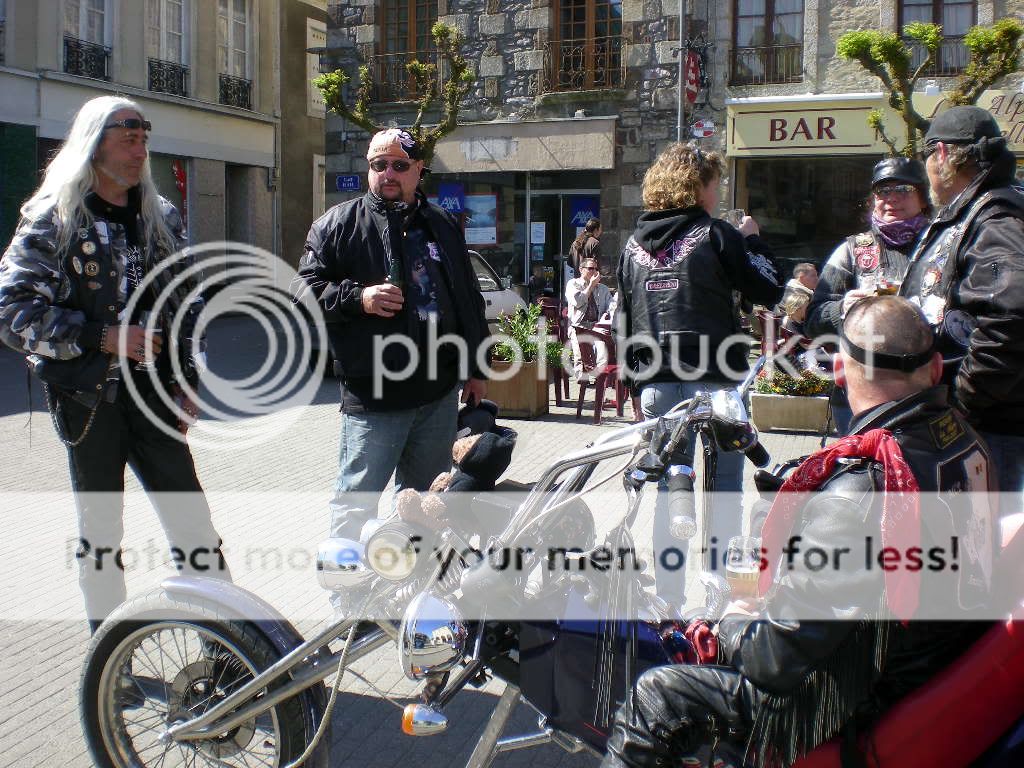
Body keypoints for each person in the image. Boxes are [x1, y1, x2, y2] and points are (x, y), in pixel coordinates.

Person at [602, 296, 997, 768]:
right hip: (929, 664)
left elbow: (775, 660)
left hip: (859, 700)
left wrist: (729, 624)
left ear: (839, 373)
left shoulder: (863, 487)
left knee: (658, 696)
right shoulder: (965, 443)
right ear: (935, 369)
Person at [0, 95, 230, 632]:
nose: (139, 143)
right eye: (127, 132)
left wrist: (190, 379)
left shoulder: (160, 216)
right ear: (93, 139)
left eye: (144, 133)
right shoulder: (54, 217)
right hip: (89, 401)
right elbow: (12, 312)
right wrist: (103, 336)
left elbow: (188, 301)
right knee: (101, 535)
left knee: (195, 528)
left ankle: (230, 651)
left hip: (155, 399)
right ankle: (110, 656)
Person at [295, 128, 489, 550]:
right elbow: (302, 292)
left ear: (420, 170)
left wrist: (475, 369)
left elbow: (468, 300)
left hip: (437, 395)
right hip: (374, 396)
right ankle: (348, 605)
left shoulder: (442, 225)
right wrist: (357, 298)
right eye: (378, 164)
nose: (387, 173)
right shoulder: (336, 225)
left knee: (428, 505)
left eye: (399, 165)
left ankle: (415, 597)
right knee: (355, 504)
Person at [615, 142, 783, 607]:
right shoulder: (716, 235)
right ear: (698, 187)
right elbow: (767, 286)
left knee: (674, 487)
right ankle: (717, 598)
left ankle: (668, 602)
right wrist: (751, 239)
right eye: (714, 184)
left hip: (656, 383)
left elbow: (624, 318)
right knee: (722, 490)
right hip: (714, 378)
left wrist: (635, 383)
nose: (717, 192)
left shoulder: (631, 245)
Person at [901, 105, 1024, 496]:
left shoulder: (996, 217)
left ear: (940, 154)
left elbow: (1012, 315)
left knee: (979, 552)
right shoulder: (979, 209)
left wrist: (962, 403)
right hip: (983, 428)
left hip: (991, 433)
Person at [806, 156, 930, 433]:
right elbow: (813, 319)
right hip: (862, 394)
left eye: (904, 190)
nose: (892, 198)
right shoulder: (852, 251)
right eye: (883, 191)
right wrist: (842, 310)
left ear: (923, 197)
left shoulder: (941, 246)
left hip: (926, 391)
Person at [565, 257, 613, 383]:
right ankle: (582, 378)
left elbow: (612, 306)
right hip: (578, 326)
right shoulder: (573, 284)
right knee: (580, 351)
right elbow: (578, 301)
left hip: (597, 326)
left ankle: (601, 378)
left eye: (596, 269)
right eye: (591, 268)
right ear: (581, 269)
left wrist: (607, 314)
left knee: (602, 349)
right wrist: (591, 285)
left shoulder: (603, 288)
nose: (594, 272)